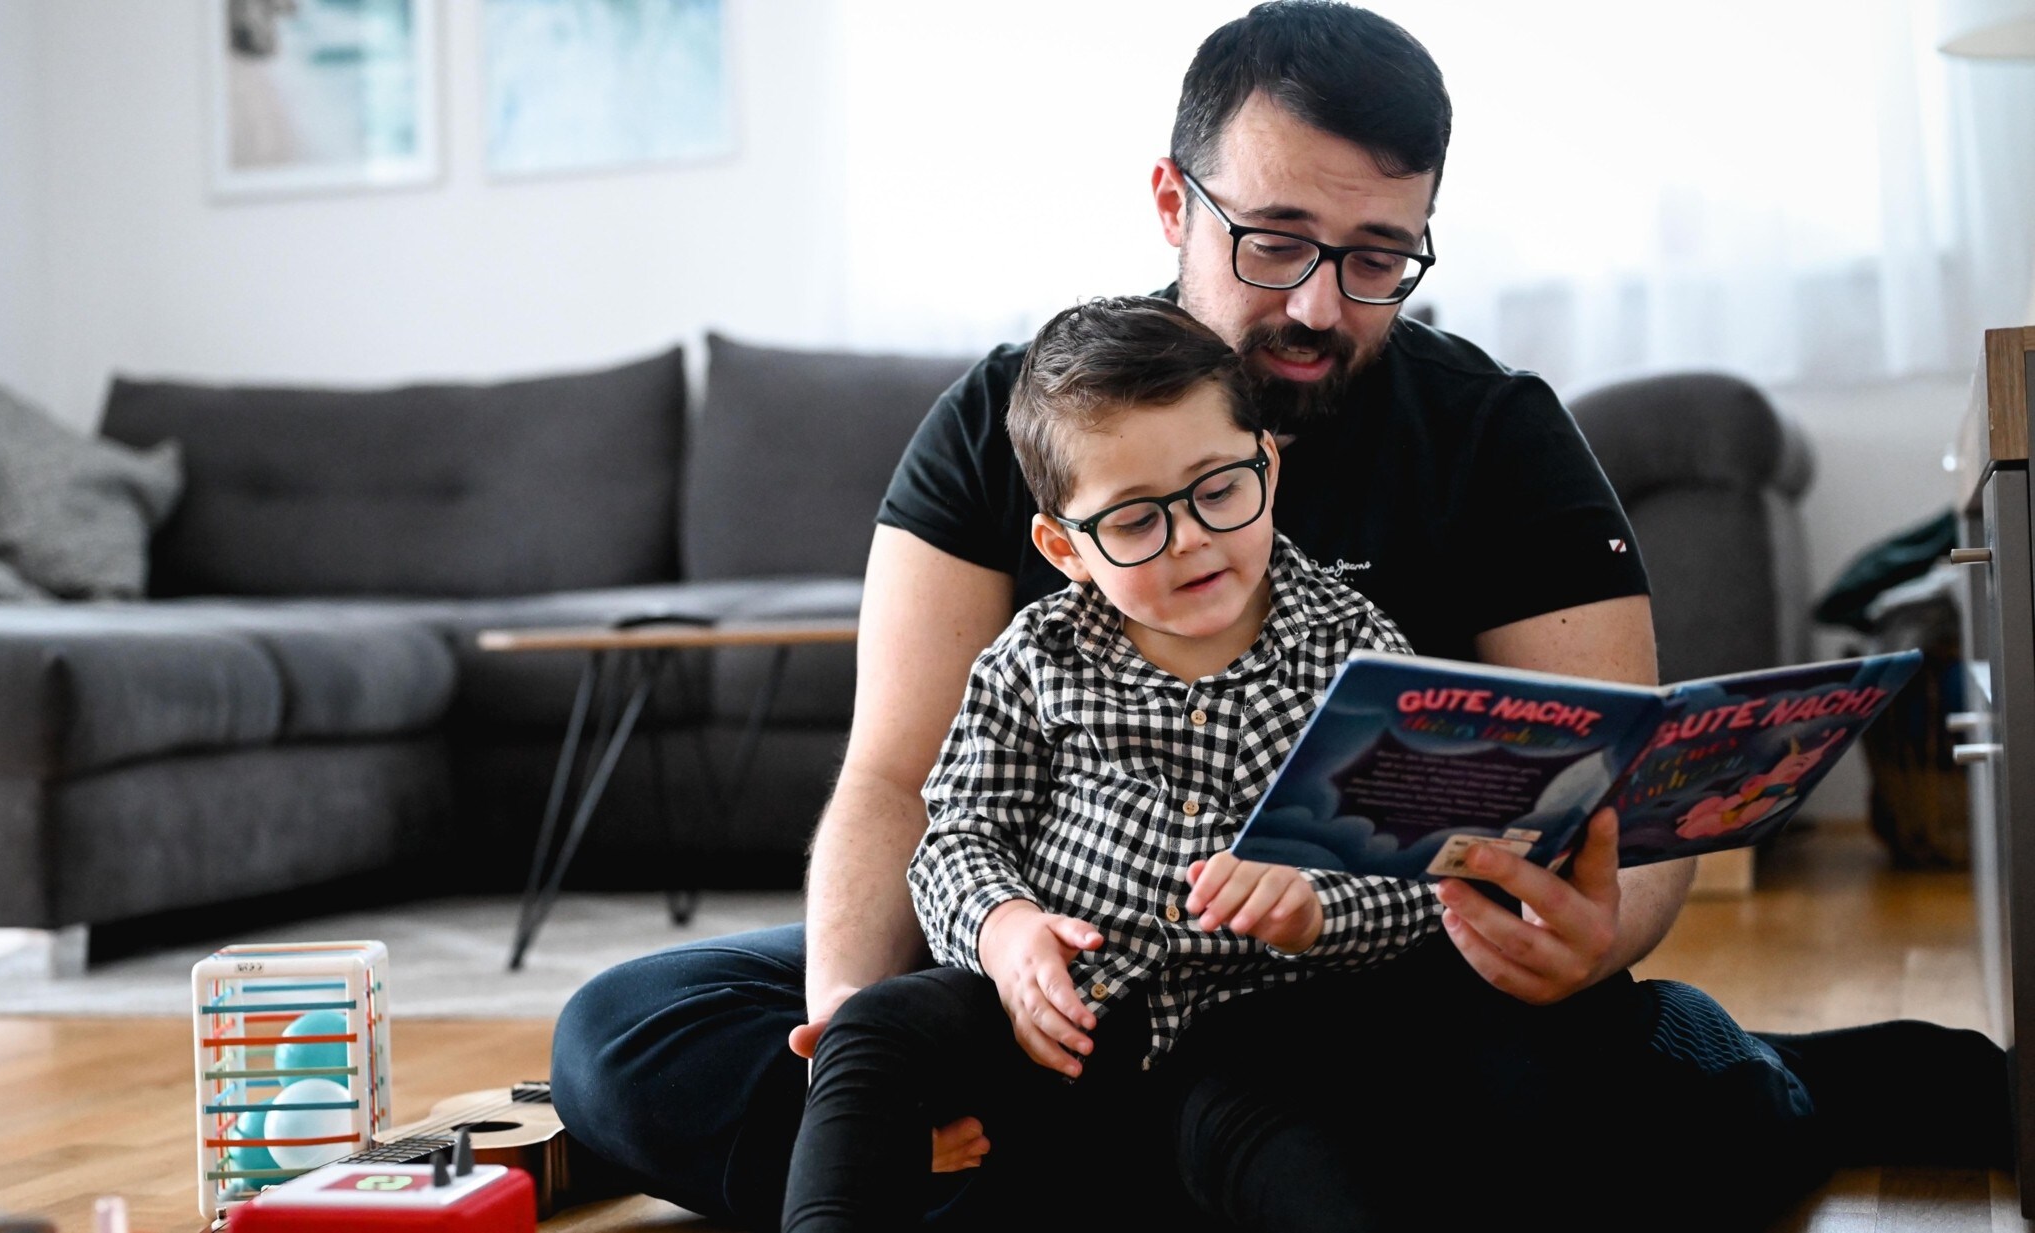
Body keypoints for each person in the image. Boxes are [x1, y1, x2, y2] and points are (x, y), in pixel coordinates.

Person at [552, 4, 2008, 1229]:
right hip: (1056, 986)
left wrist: (1593, 938)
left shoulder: (1494, 437)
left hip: (1360, 1002)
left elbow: (1619, 804)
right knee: (626, 1042)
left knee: (1637, 1116)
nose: (1320, 303)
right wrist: (867, 1046)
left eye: (1379, 256)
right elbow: (898, 777)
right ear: (1175, 202)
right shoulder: (1004, 422)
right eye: (1277, 240)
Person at [782, 295, 1437, 1231]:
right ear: (1064, 548)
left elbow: (1423, 870)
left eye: (1220, 490)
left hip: (1254, 1035)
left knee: (1304, 1143)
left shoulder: (1359, 651)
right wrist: (1004, 933)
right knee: (870, 1031)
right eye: (1135, 521)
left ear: (1270, 465)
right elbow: (958, 835)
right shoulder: (1035, 656)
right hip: (1052, 1020)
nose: (1192, 537)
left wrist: (1316, 903)